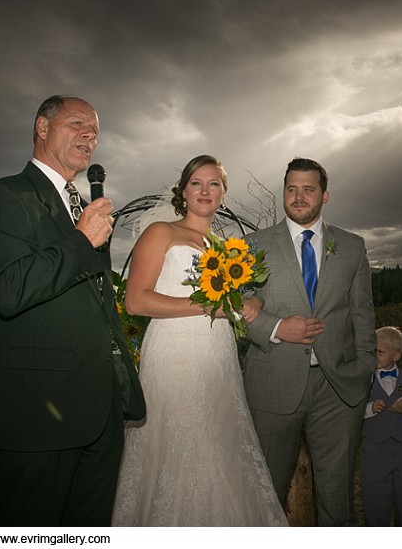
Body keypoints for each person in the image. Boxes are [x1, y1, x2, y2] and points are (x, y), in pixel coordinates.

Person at [0, 95, 144, 526]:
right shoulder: (5, 195)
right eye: (77, 123)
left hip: (99, 408)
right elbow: (9, 289)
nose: (90, 135)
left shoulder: (82, 205)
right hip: (38, 413)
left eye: (95, 131)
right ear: (42, 127)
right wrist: (81, 240)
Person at [112, 154, 287, 526]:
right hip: (173, 354)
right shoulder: (161, 232)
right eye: (197, 183)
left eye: (214, 184)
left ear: (223, 193)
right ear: (183, 191)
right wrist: (210, 307)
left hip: (218, 354)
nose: (205, 190)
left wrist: (251, 300)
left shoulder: (225, 248)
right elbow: (136, 299)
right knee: (178, 449)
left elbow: (235, 302)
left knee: (221, 446)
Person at [243, 157, 377, 526]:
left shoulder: (352, 246)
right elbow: (235, 305)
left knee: (338, 502)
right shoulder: (252, 244)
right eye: (291, 189)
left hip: (338, 390)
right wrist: (274, 328)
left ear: (325, 195)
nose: (298, 197)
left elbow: (362, 313)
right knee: (265, 495)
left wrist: (364, 368)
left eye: (308, 189)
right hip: (272, 384)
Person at [360, 326, 402, 527]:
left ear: (396, 355)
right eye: (373, 351)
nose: (375, 355)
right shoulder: (365, 378)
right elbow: (355, 410)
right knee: (375, 495)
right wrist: (370, 408)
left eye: (380, 352)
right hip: (374, 449)